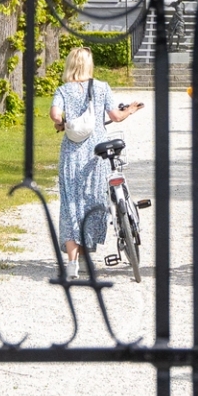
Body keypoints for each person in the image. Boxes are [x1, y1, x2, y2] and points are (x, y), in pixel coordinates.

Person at [49, 49, 140, 271]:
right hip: (97, 154)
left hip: (72, 154)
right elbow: (115, 116)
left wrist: (61, 122)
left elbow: (55, 114)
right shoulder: (101, 87)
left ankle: (72, 262)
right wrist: (130, 110)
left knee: (71, 205)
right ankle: (86, 255)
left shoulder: (63, 90)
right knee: (93, 201)